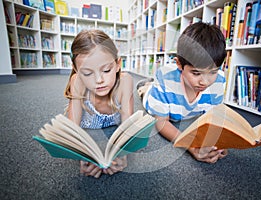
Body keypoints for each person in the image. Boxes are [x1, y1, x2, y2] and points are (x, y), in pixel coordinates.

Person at [137, 22, 228, 164]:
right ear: (179, 64)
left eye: (212, 72)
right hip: (151, 97)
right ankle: (146, 86)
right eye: (196, 73)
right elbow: (161, 122)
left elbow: (213, 118)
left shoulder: (219, 79)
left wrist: (218, 144)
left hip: (174, 99)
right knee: (145, 91)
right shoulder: (165, 77)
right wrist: (190, 146)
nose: (204, 82)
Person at [64, 30, 134, 178]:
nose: (98, 80)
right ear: (76, 70)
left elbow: (128, 127)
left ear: (117, 64)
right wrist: (83, 156)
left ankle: (145, 88)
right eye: (88, 73)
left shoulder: (125, 81)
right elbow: (72, 129)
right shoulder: (77, 81)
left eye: (106, 70)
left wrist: (122, 155)